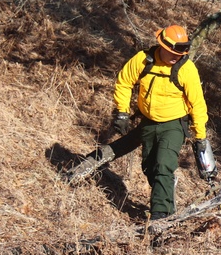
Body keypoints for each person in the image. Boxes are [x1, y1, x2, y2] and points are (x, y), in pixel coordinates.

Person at [66, 25, 211, 222]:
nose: (176, 56)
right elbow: (124, 82)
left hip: (173, 124)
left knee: (163, 165)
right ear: (162, 46)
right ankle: (165, 190)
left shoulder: (186, 69)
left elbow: (197, 104)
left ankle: (162, 218)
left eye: (180, 52)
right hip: (148, 122)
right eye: (173, 52)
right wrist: (122, 113)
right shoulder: (144, 60)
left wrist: (200, 137)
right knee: (150, 167)